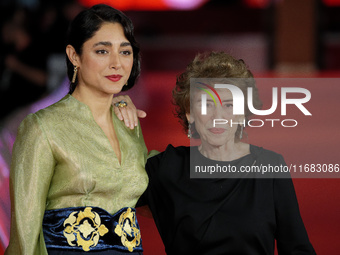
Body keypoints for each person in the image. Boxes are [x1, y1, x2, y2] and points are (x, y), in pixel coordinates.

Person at [136, 52, 317, 254]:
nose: (218, 117)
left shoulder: (270, 166)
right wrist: (116, 113)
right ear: (190, 113)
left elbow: (297, 248)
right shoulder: (166, 168)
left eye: (229, 105)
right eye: (206, 104)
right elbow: (107, 186)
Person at [5, 4, 147, 255]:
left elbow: (153, 172)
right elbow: (24, 237)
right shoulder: (43, 127)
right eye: (102, 50)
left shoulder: (128, 123)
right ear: (74, 56)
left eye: (125, 52)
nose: (117, 63)